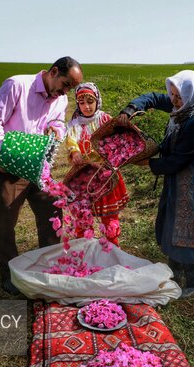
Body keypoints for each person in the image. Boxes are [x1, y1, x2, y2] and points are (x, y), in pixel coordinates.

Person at [116, 70, 194, 299]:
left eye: (178, 97)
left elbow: (177, 160)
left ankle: (193, 282)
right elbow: (154, 98)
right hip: (179, 179)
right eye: (172, 94)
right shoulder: (184, 106)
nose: (173, 101)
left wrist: (148, 163)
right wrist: (131, 108)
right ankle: (174, 271)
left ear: (193, 95)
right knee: (173, 222)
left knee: (192, 228)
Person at [0, 56, 83, 294]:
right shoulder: (17, 85)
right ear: (54, 71)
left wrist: (56, 129)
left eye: (70, 87)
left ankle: (48, 267)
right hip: (8, 164)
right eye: (66, 84)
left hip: (39, 163)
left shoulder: (60, 99)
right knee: (6, 219)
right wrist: (3, 150)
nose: (66, 91)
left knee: (51, 211)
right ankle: (9, 276)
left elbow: (59, 122)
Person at [64, 82, 129, 245]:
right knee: (83, 213)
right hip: (83, 175)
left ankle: (112, 246)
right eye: (82, 102)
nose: (86, 106)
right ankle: (84, 247)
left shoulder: (105, 119)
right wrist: (75, 152)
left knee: (108, 216)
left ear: (97, 101)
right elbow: (71, 139)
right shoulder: (74, 123)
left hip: (105, 175)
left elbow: (116, 141)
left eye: (90, 102)